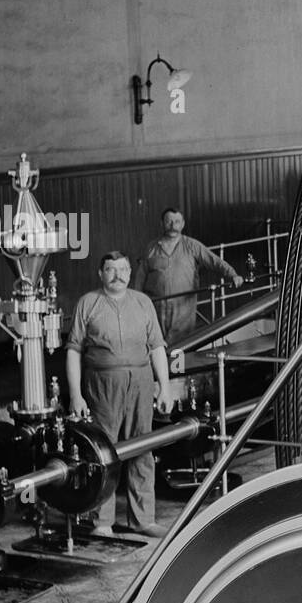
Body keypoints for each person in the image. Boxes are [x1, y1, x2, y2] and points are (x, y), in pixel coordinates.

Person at [66, 250, 174, 537]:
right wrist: (76, 395)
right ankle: (102, 522)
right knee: (104, 452)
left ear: (130, 272)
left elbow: (157, 347)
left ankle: (143, 520)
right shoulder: (88, 303)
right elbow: (74, 351)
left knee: (143, 449)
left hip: (141, 381)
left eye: (123, 269)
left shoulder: (143, 302)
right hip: (102, 385)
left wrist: (164, 386)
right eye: (111, 269)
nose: (118, 274)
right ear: (100, 274)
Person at [133, 207, 243, 344]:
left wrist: (233, 274)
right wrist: (136, 303)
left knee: (180, 355)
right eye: (169, 222)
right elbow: (140, 278)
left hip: (183, 317)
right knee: (157, 351)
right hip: (156, 313)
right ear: (161, 223)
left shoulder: (192, 246)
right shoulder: (151, 248)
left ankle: (178, 366)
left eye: (177, 222)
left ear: (183, 224)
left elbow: (214, 261)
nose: (173, 226)